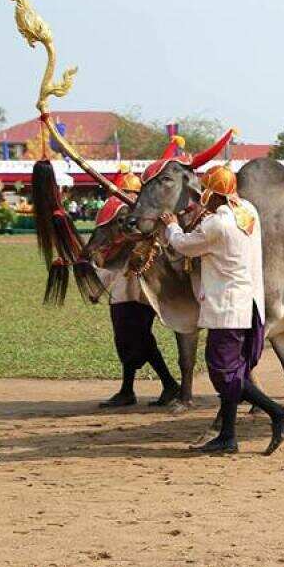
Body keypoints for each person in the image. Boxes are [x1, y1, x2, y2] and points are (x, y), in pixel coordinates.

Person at [161, 164, 284, 455]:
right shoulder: (248, 210)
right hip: (249, 304)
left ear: (212, 195)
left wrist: (171, 224)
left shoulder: (216, 225)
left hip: (227, 309)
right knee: (237, 371)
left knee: (224, 373)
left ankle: (277, 413)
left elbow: (184, 245)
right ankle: (228, 435)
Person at [96, 171, 180, 407]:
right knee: (130, 338)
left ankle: (166, 385)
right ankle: (132, 389)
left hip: (140, 286)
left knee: (138, 338)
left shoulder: (144, 214)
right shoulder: (126, 212)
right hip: (124, 286)